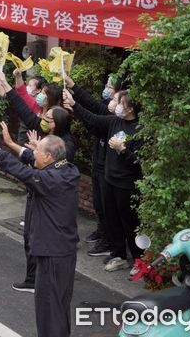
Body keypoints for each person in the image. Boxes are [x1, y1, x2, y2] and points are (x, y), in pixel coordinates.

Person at [0, 126, 79, 337]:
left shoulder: (49, 180)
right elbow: (32, 159)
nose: (33, 153)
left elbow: (19, 170)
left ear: (48, 157)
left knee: (49, 310)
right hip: (64, 251)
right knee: (60, 306)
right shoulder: (68, 169)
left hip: (52, 254)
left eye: (38, 152)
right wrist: (13, 145)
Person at [63, 88, 144, 274]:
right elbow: (92, 118)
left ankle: (140, 260)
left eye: (121, 103)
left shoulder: (139, 130)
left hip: (127, 185)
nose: (117, 107)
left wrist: (123, 149)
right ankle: (119, 255)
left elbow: (140, 164)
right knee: (112, 220)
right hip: (110, 180)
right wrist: (74, 104)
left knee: (130, 223)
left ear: (131, 109)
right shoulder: (115, 121)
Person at [64, 74, 121, 258]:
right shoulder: (107, 108)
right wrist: (73, 86)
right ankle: (102, 232)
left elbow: (92, 114)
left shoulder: (116, 117)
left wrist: (74, 103)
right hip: (99, 162)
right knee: (98, 204)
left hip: (109, 167)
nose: (107, 89)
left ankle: (110, 241)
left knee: (107, 207)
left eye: (110, 87)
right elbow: (93, 110)